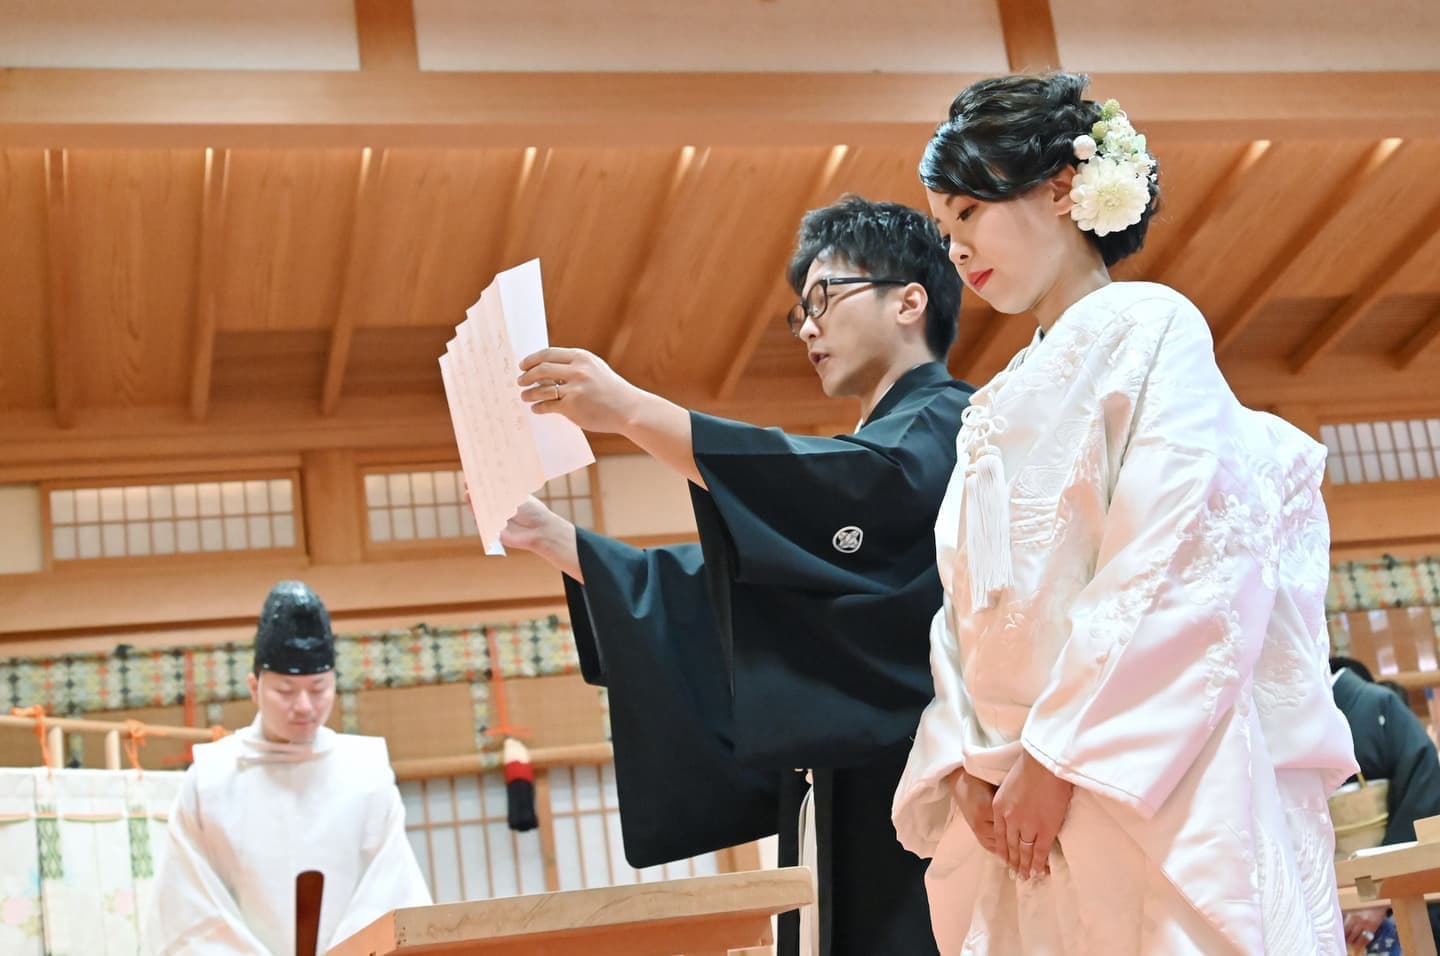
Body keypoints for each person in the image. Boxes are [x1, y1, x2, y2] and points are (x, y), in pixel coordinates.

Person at [890, 72, 1359, 954]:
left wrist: (1061, 754)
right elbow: (965, 601)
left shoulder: (1152, 327)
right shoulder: (992, 399)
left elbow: (1176, 554)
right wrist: (963, 759)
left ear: (1062, 188)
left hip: (1133, 765)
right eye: (944, 229)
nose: (954, 249)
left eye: (970, 213)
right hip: (1013, 776)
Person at [502, 196, 971, 955]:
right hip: (843, 790)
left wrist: (631, 411)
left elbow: (853, 489)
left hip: (929, 797)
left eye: (824, 298)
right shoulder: (882, 445)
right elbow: (728, 588)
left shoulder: (953, 425)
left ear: (908, 300)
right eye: (799, 313)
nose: (808, 326)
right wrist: (561, 542)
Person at [145, 581, 431, 955]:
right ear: (254, 687)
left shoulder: (366, 770)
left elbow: (389, 890)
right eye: (285, 690)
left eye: (318, 689)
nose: (304, 706)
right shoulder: (211, 778)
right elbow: (189, 909)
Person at [1330, 658, 1440, 953]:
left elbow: (1424, 795)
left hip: (1394, 898)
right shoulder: (1284, 722)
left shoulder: (1378, 705)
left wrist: (1382, 893)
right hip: (1329, 901)